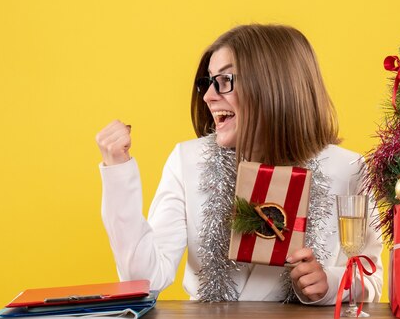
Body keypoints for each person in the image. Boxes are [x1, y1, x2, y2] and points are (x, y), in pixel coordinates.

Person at [95, 24, 383, 304]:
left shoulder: (348, 169)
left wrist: (329, 285)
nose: (208, 96)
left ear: (273, 86)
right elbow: (145, 278)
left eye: (224, 81)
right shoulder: (188, 161)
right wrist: (118, 172)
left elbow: (370, 278)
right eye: (208, 82)